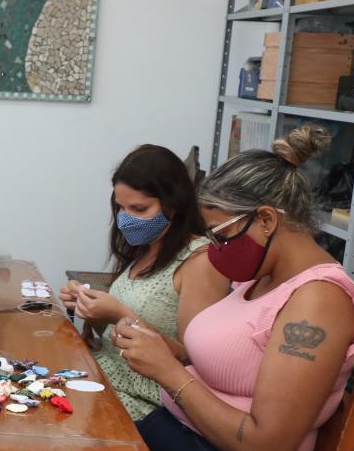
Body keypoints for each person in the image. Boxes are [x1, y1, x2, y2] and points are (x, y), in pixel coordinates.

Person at [114, 125, 354, 451]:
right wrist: (161, 351)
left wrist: (169, 373)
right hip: (188, 444)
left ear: (267, 220)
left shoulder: (318, 303)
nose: (213, 248)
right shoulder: (259, 279)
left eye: (221, 233)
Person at [59, 145, 229, 419]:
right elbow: (120, 330)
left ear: (173, 204)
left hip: (144, 404)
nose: (126, 219)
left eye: (138, 208)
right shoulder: (147, 247)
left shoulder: (200, 261)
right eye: (120, 207)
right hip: (105, 380)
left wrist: (119, 314)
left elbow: (192, 360)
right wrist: (90, 309)